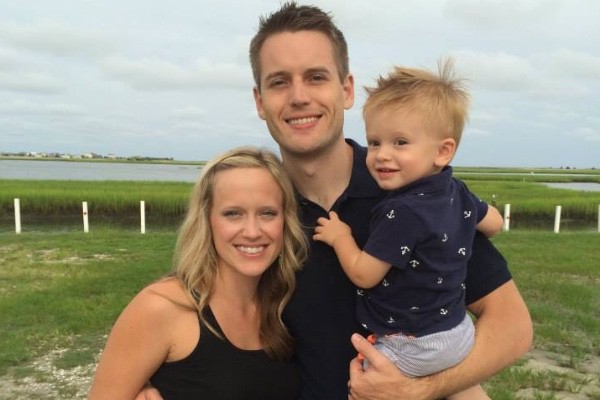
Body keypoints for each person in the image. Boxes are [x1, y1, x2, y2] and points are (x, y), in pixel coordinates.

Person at [136, 2, 532, 399]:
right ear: (260, 102)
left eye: (315, 77)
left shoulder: (413, 191)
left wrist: (421, 390)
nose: (298, 97)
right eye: (279, 82)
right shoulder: (261, 213)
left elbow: (512, 325)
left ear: (345, 90)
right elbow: (202, 305)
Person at [313, 59, 504, 399]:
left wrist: (341, 237)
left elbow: (364, 274)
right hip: (458, 331)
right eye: (374, 142)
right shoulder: (456, 191)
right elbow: (495, 224)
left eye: (400, 143)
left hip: (412, 342)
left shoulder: (401, 212)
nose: (382, 155)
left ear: (443, 150)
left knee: (366, 387)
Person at [89, 146, 308, 399]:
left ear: (285, 220)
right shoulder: (162, 307)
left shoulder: (284, 305)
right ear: (207, 220)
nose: (252, 231)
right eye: (233, 214)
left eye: (267, 213)